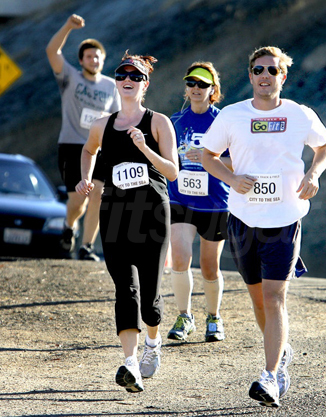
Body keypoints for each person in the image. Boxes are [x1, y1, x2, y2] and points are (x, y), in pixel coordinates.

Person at [202, 46, 326, 407]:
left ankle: (271, 375)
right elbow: (207, 156)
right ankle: (281, 350)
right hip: (243, 220)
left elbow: (325, 147)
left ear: (282, 77)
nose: (265, 76)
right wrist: (231, 177)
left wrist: (314, 173)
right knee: (259, 300)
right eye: (258, 70)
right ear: (250, 76)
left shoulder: (299, 114)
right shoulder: (232, 116)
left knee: (276, 298)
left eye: (272, 71)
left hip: (285, 219)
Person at [75, 52, 178, 393]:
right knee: (126, 289)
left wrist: (145, 148)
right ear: (116, 82)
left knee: (149, 297)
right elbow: (89, 150)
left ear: (145, 83)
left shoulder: (159, 122)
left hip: (152, 213)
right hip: (115, 213)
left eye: (135, 76)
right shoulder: (102, 125)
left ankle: (152, 342)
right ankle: (130, 363)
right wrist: (85, 177)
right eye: (122, 75)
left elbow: (173, 172)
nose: (127, 80)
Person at [46, 14, 120, 261]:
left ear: (103, 60)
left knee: (97, 193)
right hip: (71, 146)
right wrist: (67, 25)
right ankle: (69, 225)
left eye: (97, 56)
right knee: (78, 200)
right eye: (89, 56)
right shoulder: (70, 77)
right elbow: (52, 51)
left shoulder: (111, 86)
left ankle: (86, 246)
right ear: (81, 60)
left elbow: (116, 119)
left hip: (98, 148)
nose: (94, 59)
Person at [167, 62, 231, 343]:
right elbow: (164, 159)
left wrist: (207, 158)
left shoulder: (224, 121)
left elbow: (238, 159)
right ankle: (185, 316)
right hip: (180, 199)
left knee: (209, 266)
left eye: (202, 84)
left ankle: (214, 317)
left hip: (215, 203)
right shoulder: (175, 121)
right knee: (180, 258)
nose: (196, 89)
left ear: (212, 90)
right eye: (191, 83)